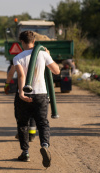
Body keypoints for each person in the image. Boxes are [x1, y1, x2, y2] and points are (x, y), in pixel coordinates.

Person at [13, 30, 60, 167]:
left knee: (23, 124)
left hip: (24, 94)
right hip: (41, 94)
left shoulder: (18, 57)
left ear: (21, 42)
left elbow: (21, 76)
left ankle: (25, 153)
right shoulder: (43, 54)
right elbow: (56, 71)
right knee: (42, 123)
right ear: (34, 41)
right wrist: (49, 56)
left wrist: (22, 94)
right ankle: (45, 145)